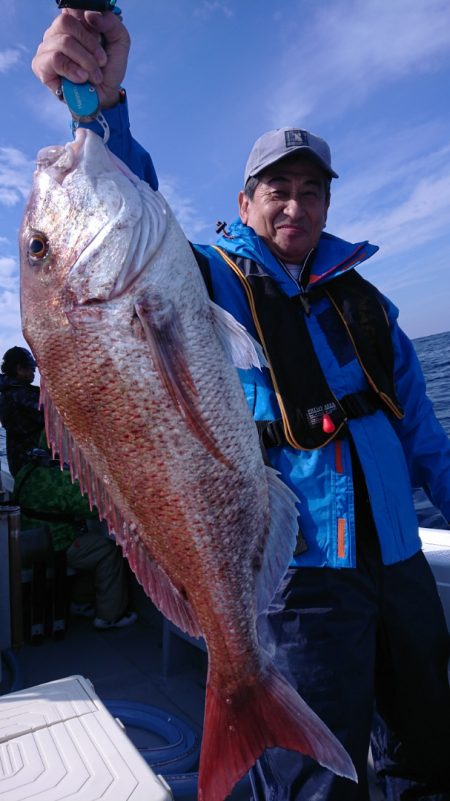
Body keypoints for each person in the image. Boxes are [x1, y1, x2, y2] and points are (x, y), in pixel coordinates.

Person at [32, 10, 450, 800]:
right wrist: (98, 103)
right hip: (301, 575)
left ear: (327, 204)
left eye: (310, 192)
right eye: (276, 191)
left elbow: (427, 439)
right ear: (246, 200)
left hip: (399, 565)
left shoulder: (372, 308)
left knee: (425, 752)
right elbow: (122, 218)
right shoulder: (209, 278)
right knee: (312, 785)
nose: (294, 207)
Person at [13, 429, 137, 631]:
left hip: (27, 544)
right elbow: (95, 509)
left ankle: (81, 602)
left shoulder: (25, 471)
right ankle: (110, 616)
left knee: (89, 543)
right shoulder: (61, 479)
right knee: (105, 551)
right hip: (56, 546)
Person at [0, 346, 44, 477]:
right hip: (32, 469)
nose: (34, 372)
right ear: (19, 369)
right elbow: (50, 417)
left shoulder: (11, 391)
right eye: (31, 368)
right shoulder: (19, 395)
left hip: (25, 466)